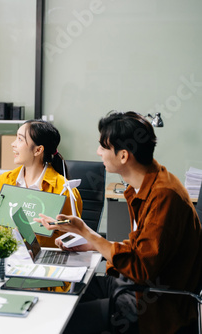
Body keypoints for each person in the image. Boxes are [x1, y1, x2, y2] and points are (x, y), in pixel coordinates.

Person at [38, 111, 202, 334]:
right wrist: (92, 244)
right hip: (131, 286)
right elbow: (142, 248)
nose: (98, 152)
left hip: (151, 304)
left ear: (123, 156)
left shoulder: (164, 196)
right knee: (55, 294)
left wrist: (87, 232)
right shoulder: (147, 184)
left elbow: (142, 268)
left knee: (60, 322)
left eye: (103, 147)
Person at [0, 119, 82, 247]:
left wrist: (30, 237)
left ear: (38, 150)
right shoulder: (5, 180)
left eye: (20, 139)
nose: (13, 144)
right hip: (10, 255)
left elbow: (72, 234)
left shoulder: (64, 189)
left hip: (44, 260)